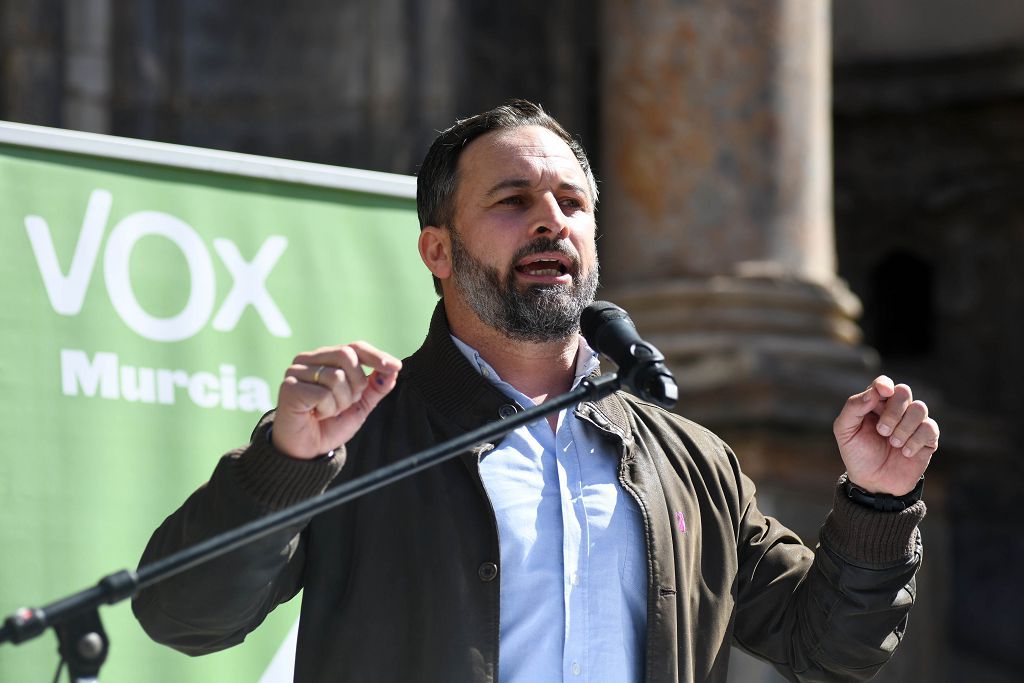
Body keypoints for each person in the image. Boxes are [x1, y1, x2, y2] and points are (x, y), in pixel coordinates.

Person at [133, 100, 940, 683]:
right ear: (437, 249)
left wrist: (875, 504)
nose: (551, 220)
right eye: (513, 201)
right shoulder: (360, 438)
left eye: (573, 203)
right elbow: (181, 616)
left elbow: (827, 647)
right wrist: (284, 463)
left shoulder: (689, 461)